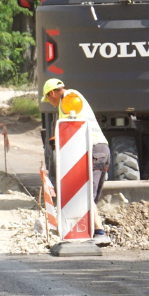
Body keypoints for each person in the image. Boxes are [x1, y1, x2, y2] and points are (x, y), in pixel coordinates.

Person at [41, 78, 112, 246]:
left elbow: (73, 127)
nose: (50, 103)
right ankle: (94, 231)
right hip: (101, 149)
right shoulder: (71, 99)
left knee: (86, 194)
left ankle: (100, 232)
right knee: (90, 195)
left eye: (48, 99)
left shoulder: (69, 100)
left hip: (93, 149)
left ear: (52, 93)